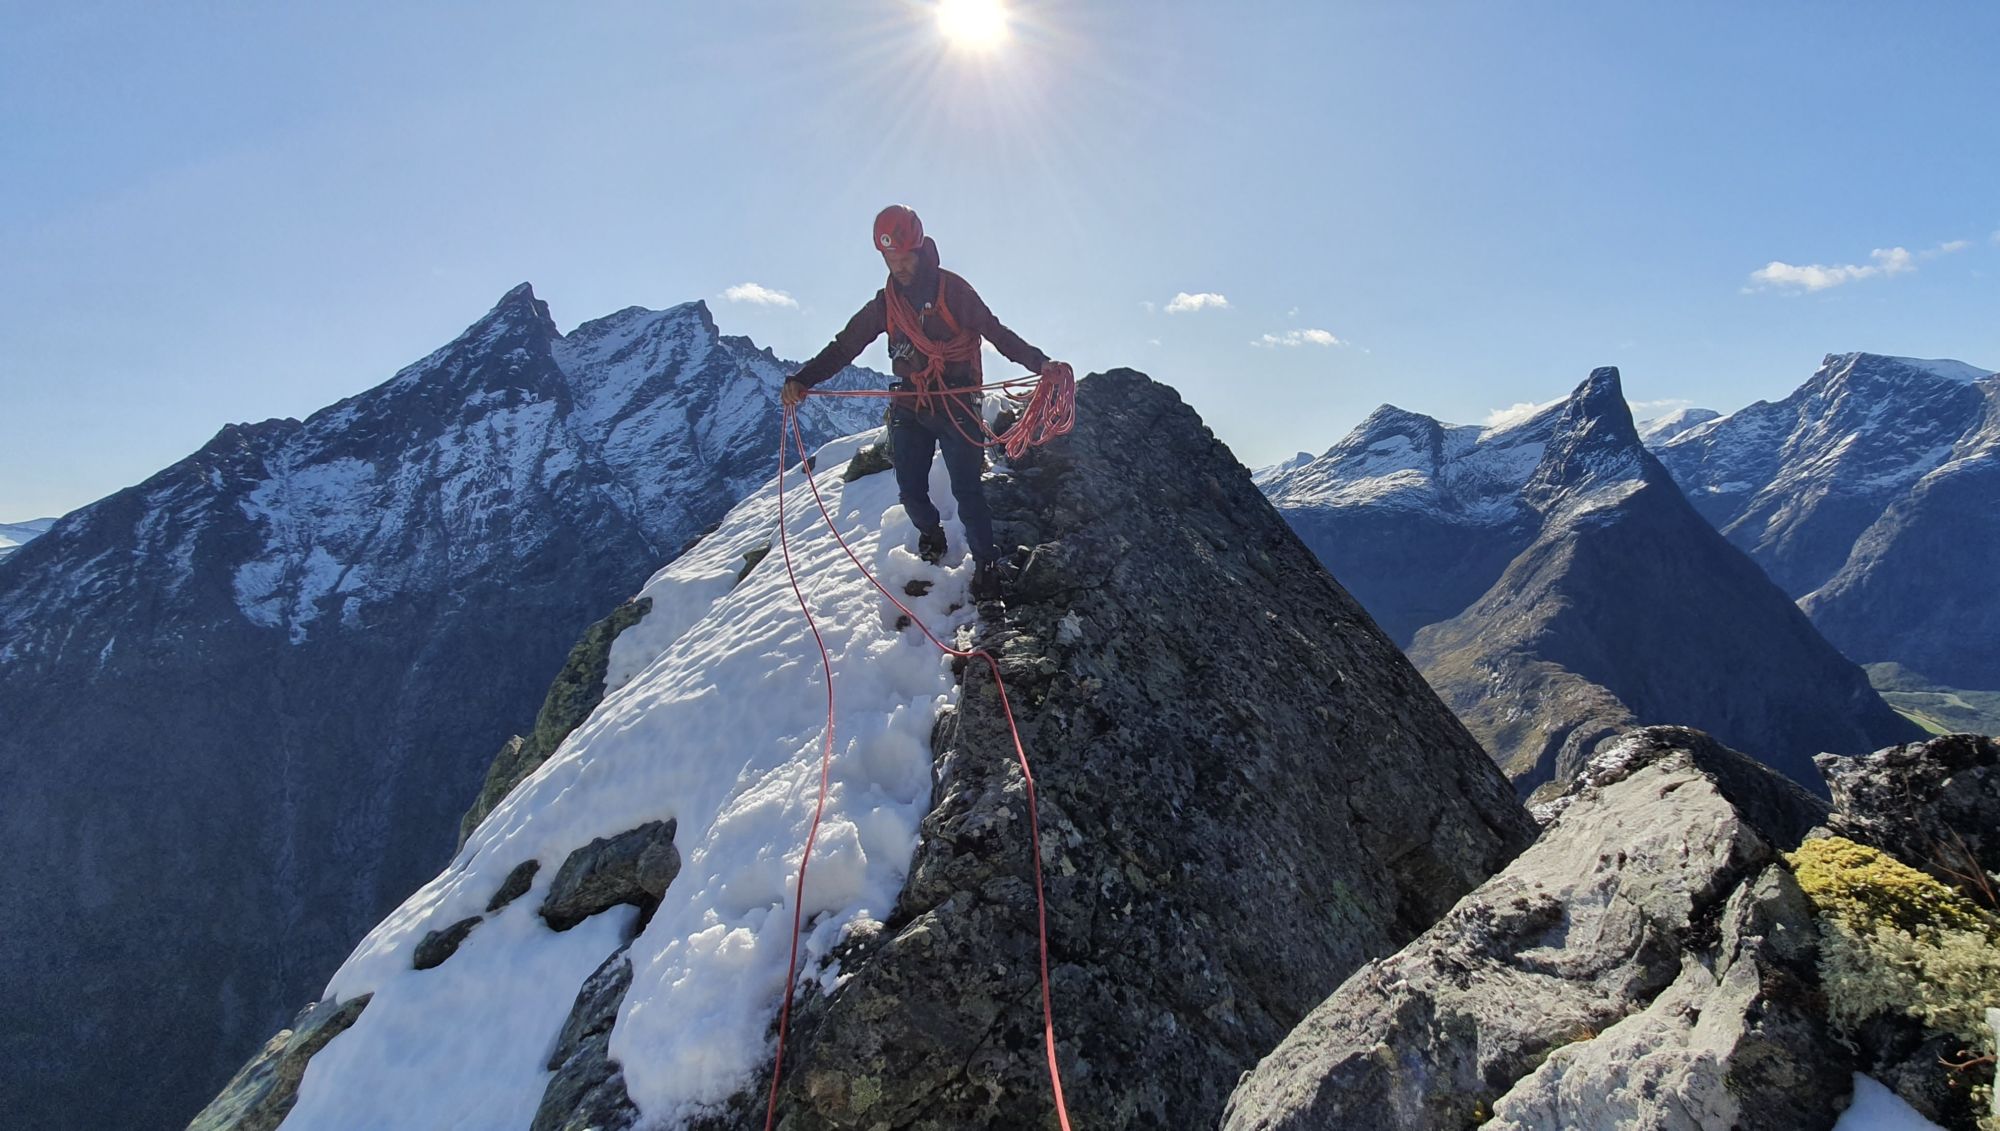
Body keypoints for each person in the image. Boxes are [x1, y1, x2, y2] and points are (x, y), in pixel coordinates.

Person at [783, 204, 1054, 601]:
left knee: (967, 490)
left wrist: (1040, 363)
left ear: (919, 248)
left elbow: (995, 332)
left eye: (903, 258)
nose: (898, 267)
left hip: (957, 403)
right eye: (889, 259)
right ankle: (931, 532)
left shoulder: (953, 291)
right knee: (909, 489)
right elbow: (846, 345)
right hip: (911, 403)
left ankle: (986, 565)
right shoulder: (887, 303)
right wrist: (803, 379)